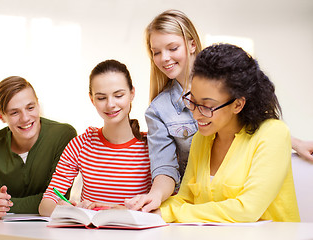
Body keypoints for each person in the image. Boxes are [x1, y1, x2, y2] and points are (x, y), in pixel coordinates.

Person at [125, 9, 313, 213]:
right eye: (157, 52)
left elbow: (258, 127)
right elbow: (167, 170)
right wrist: (152, 201)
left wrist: (292, 141)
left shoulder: (234, 84)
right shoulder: (182, 125)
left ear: (191, 44)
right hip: (201, 216)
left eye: (172, 48)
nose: (165, 58)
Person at [158, 43, 300, 222]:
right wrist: (143, 210)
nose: (195, 114)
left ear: (237, 104)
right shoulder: (201, 139)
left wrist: (168, 214)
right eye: (192, 101)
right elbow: (184, 200)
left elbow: (247, 210)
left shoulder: (273, 134)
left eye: (206, 106)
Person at [38, 59, 151, 217]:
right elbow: (46, 204)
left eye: (118, 95)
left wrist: (122, 212)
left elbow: (169, 205)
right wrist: (65, 209)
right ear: (92, 99)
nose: (110, 104)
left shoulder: (152, 146)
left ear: (132, 93)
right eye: (101, 98)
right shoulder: (81, 144)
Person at [0, 76, 77, 220]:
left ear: (38, 105)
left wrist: (0, 205)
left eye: (30, 107)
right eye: (14, 112)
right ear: (1, 116)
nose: (25, 118)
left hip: (52, 229)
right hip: (2, 230)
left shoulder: (63, 135)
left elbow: (57, 198)